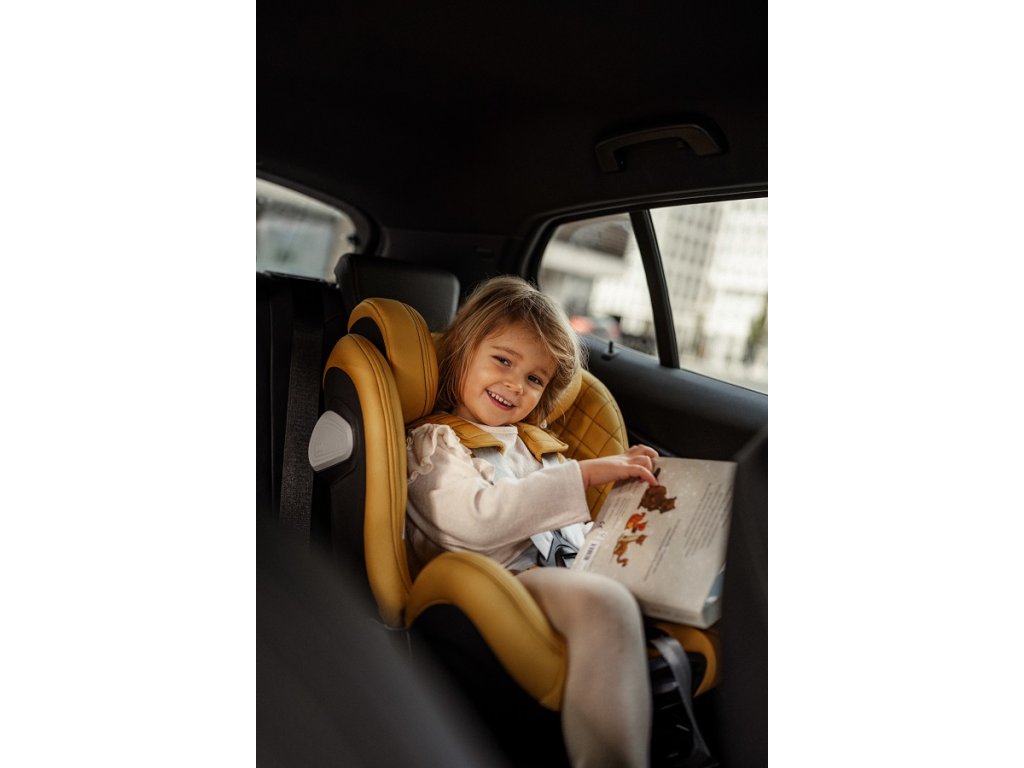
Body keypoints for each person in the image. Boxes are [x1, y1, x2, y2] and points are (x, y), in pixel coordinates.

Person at [405, 275, 660, 768]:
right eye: (503, 361)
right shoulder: (436, 443)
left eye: (535, 379)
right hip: (493, 584)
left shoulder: (534, 448)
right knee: (605, 604)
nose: (515, 385)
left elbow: (567, 531)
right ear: (462, 351)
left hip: (555, 574)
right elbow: (474, 521)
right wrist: (584, 475)